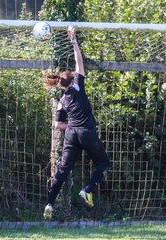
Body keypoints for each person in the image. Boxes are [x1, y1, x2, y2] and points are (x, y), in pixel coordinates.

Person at [42, 26, 110, 220]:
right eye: (73, 72)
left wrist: (70, 127)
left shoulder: (62, 101)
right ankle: (87, 189)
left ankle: (49, 203)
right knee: (104, 163)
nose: (75, 70)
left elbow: (57, 125)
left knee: (62, 171)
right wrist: (73, 39)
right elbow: (79, 59)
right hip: (86, 132)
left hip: (72, 134)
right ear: (72, 81)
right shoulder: (78, 86)